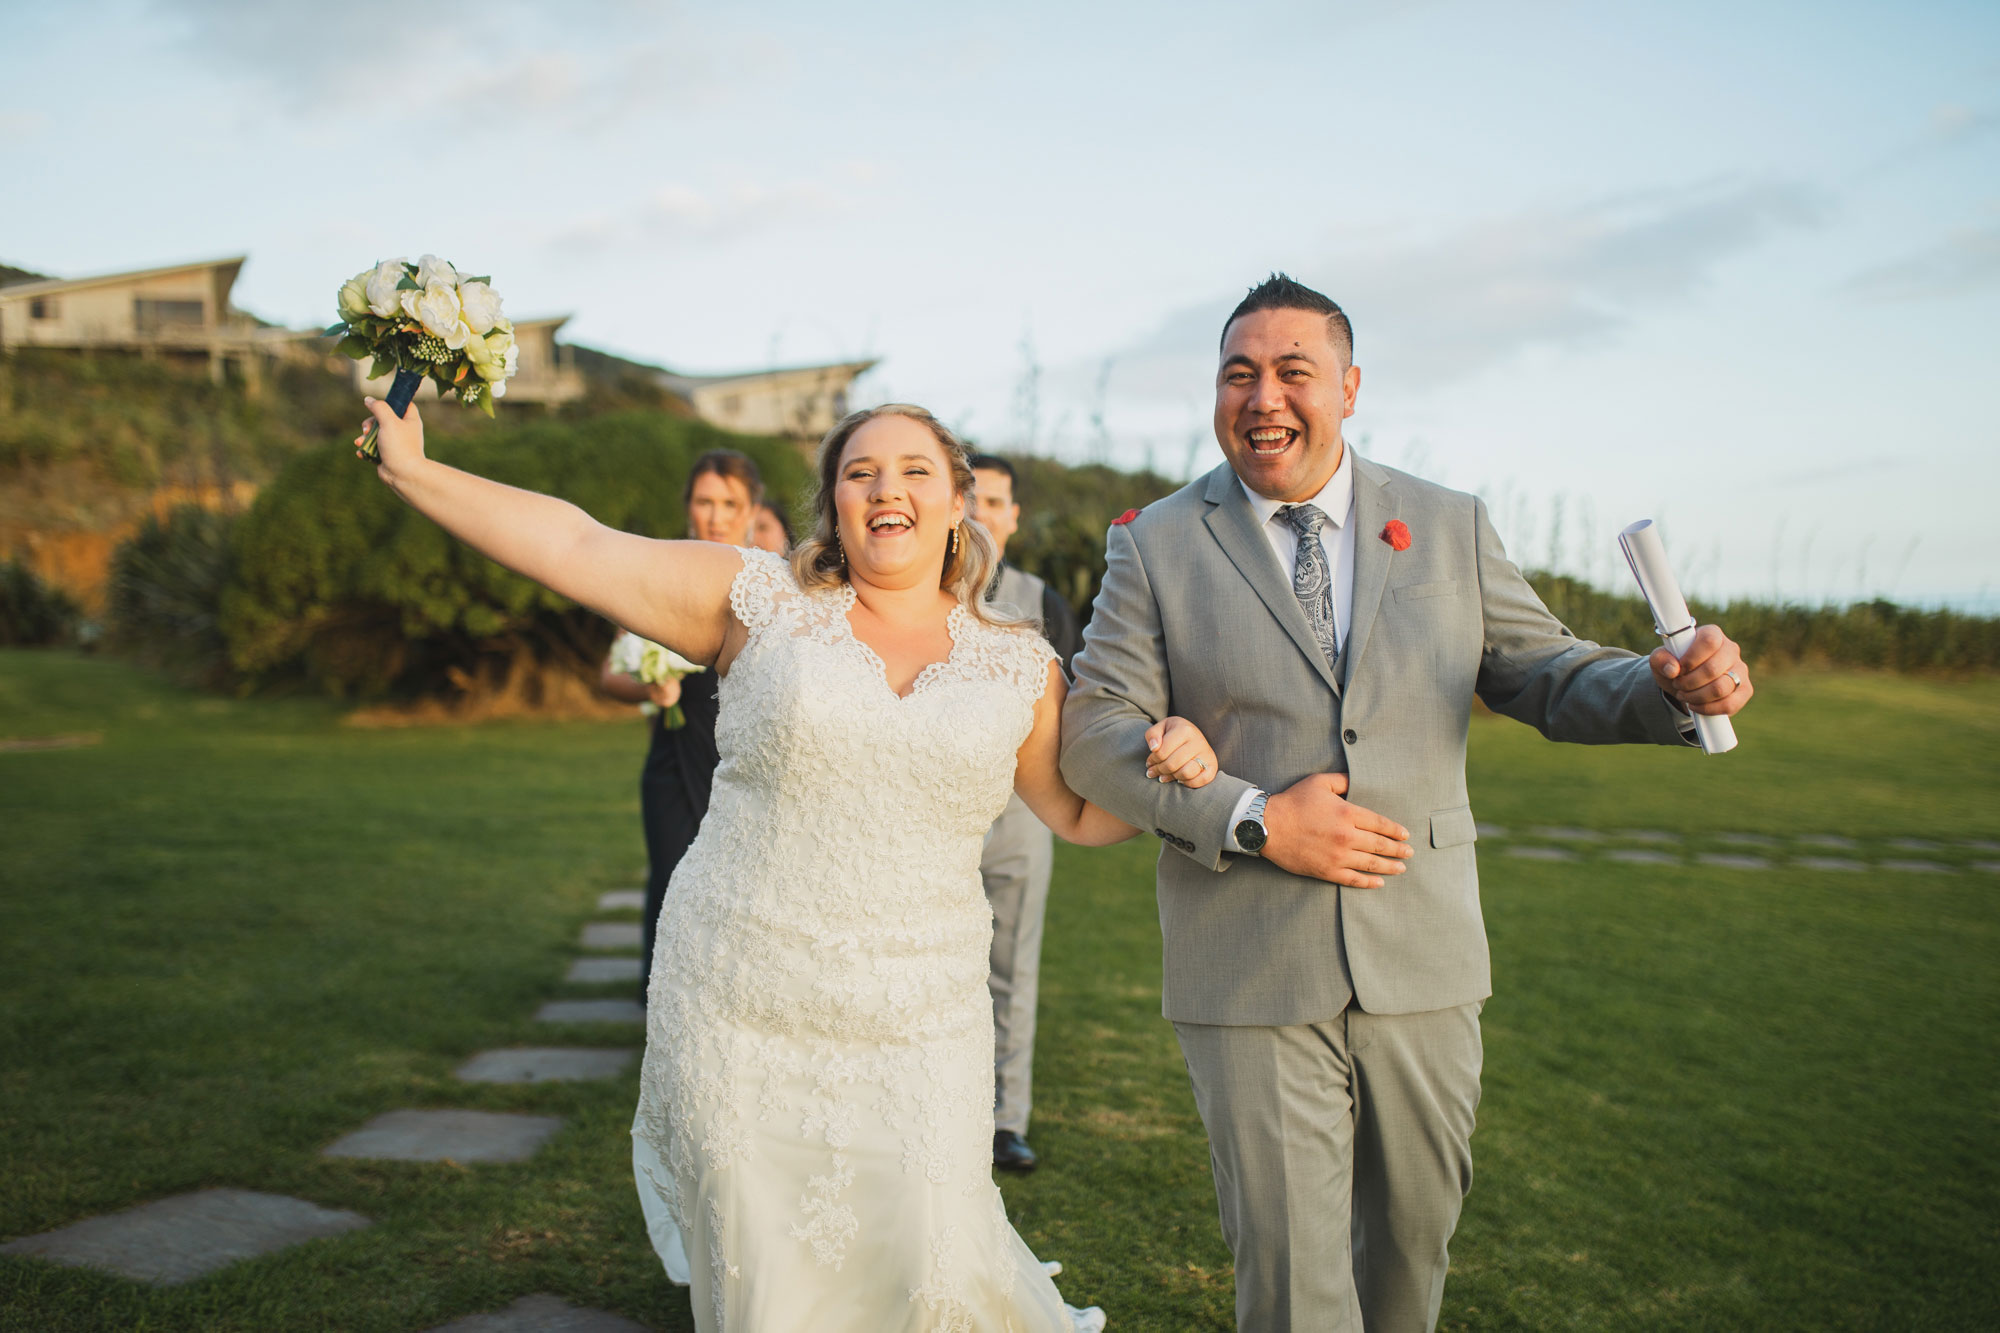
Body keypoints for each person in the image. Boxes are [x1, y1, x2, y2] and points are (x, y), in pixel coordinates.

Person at [355, 396, 1220, 1332]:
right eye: (860, 472)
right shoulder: (756, 599)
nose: (887, 488)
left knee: (926, 1262)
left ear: (960, 501)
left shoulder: (1019, 665)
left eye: (914, 470)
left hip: (922, 1022)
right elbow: (576, 545)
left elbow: (1085, 812)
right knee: (772, 1283)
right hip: (742, 1002)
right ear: (834, 504)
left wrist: (1179, 766)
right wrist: (414, 469)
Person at [1059, 274, 1755, 1333]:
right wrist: (1253, 818)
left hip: (1422, 959)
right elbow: (1094, 730)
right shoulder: (1154, 541)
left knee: (1409, 1255)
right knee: (1294, 1284)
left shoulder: (1445, 522)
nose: (1263, 398)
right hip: (1247, 964)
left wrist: (1659, 687)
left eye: (1293, 372)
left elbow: (1545, 671)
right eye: (1237, 374)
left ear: (1347, 386)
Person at [597, 450, 764, 1004]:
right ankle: (662, 1008)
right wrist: (650, 688)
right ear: (688, 506)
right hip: (673, 763)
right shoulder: (658, 576)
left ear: (750, 509)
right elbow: (607, 676)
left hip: (748, 768)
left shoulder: (771, 585)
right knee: (670, 884)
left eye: (729, 503)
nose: (716, 515)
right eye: (704, 501)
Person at [967, 453, 1082, 1175]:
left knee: (1011, 965)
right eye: (970, 498)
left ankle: (1005, 1119)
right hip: (922, 814)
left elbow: (1072, 713)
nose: (982, 513)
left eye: (996, 502)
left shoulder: (1044, 602)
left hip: (1018, 810)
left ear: (1012, 517)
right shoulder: (908, 590)